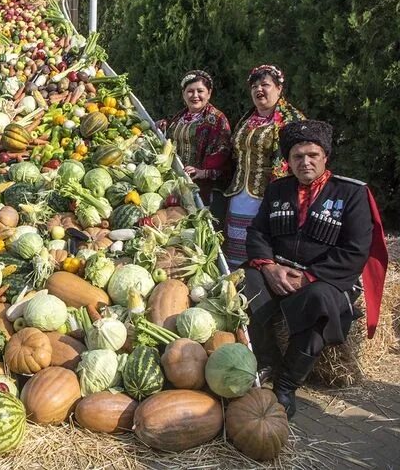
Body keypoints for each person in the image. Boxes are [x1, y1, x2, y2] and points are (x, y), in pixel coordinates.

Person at [244, 120, 388, 418]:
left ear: (325, 157)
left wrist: (309, 276)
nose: (305, 162)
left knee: (320, 301)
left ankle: (285, 385)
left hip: (326, 279)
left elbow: (355, 249)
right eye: (297, 156)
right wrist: (270, 267)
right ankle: (266, 359)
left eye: (312, 155)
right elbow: (258, 233)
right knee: (245, 283)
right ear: (289, 161)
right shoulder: (278, 190)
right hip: (280, 273)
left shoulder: (352, 194)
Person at [223, 65, 305, 267]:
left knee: (261, 245)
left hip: (270, 195)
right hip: (239, 193)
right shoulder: (247, 119)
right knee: (235, 248)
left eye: (265, 85)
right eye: (254, 86)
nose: (259, 90)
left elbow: (296, 161)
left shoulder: (292, 120)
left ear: (279, 88)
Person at [159, 70, 232, 223]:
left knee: (201, 225)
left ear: (209, 93)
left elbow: (224, 152)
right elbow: (171, 139)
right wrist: (163, 126)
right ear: (183, 94)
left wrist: (203, 172)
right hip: (178, 183)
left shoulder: (217, 119)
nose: (195, 95)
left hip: (203, 187)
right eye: (190, 91)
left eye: (200, 91)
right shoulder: (179, 116)